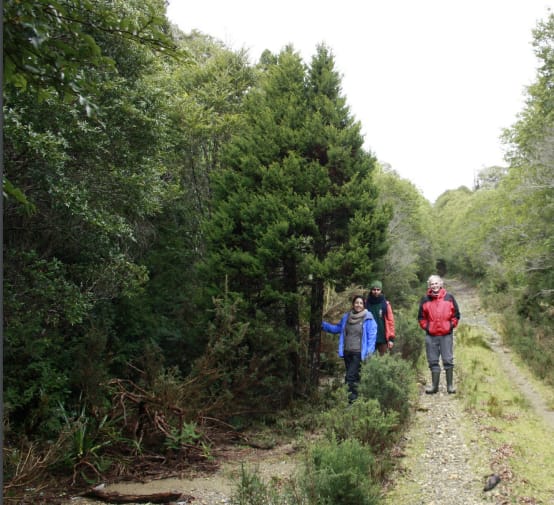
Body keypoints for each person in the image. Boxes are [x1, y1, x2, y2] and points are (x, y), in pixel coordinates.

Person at [322, 295, 377, 403]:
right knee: (354, 378)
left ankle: (351, 402)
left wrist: (369, 354)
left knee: (350, 377)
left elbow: (372, 337)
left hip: (358, 353)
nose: (358, 305)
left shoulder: (368, 318)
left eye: (361, 303)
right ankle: (357, 399)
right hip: (347, 352)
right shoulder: (346, 317)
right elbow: (337, 328)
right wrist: (323, 325)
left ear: (364, 305)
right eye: (356, 303)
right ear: (353, 304)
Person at [417, 275, 461, 394]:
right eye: (432, 284)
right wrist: (427, 327)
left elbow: (456, 315)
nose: (434, 286)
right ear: (429, 286)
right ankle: (434, 387)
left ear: (441, 284)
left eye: (436, 283)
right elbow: (421, 317)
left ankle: (450, 386)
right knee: (433, 360)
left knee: (448, 359)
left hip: (446, 335)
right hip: (431, 336)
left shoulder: (449, 297)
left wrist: (450, 326)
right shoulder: (425, 299)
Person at [365, 280, 396, 356]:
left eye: (378, 290)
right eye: (374, 289)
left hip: (383, 338)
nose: (376, 291)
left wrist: (391, 339)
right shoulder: (366, 303)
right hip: (369, 338)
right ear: (371, 290)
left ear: (381, 290)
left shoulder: (385, 304)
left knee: (383, 362)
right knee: (368, 361)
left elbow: (390, 321)